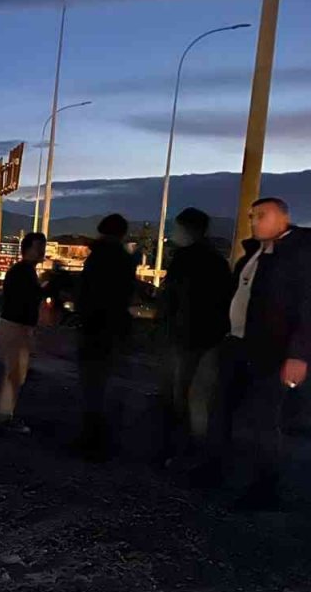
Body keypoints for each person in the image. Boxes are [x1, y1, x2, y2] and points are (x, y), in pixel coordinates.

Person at [198, 197, 310, 510]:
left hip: (271, 350)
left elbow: (307, 307)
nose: (254, 221)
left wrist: (298, 354)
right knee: (221, 409)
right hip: (237, 343)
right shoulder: (255, 253)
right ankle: (214, 470)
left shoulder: (299, 255)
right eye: (252, 215)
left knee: (264, 420)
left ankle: (265, 487)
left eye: (262, 215)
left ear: (283, 217)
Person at [155, 207, 232, 460]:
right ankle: (197, 451)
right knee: (199, 398)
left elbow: (173, 299)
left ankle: (179, 450)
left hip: (184, 336)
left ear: (188, 230)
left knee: (179, 396)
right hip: (209, 337)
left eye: (176, 228)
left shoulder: (184, 260)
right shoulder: (218, 261)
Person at [75, 213, 137, 460]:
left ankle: (92, 439)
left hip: (93, 330)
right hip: (115, 330)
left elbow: (85, 293)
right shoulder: (123, 259)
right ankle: (106, 439)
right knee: (109, 386)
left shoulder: (97, 257)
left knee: (92, 387)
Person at [0, 232, 48, 433]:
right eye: (38, 248)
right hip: (14, 326)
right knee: (15, 374)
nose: (42, 252)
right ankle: (5, 417)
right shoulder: (23, 272)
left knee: (17, 374)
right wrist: (46, 290)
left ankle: (6, 415)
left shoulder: (25, 271)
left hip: (16, 326)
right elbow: (25, 298)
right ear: (27, 250)